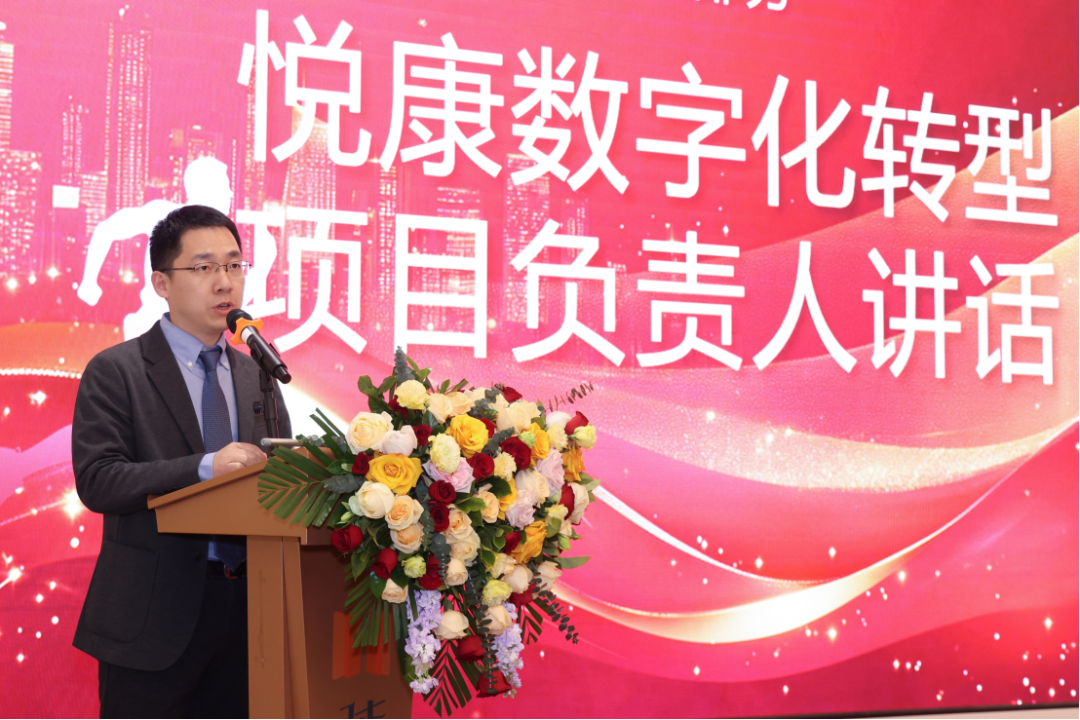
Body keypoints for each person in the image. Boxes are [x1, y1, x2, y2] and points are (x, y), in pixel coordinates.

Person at [71, 204, 290, 719]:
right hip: (153, 617)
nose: (224, 282)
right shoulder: (117, 371)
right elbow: (99, 480)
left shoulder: (257, 375)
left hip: (249, 618)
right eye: (204, 267)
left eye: (234, 265)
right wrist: (204, 468)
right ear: (162, 283)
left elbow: (280, 484)